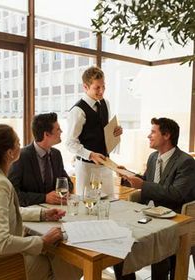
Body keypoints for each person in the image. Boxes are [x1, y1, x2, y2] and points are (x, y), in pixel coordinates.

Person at [0, 124, 81, 280]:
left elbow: (7, 210)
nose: (21, 146)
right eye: (18, 142)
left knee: (56, 260)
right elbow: (0, 244)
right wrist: (42, 241)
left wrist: (43, 214)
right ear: (10, 153)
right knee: (63, 263)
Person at [114, 117, 195, 280]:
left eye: (153, 132)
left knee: (159, 256)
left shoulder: (185, 162)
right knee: (119, 241)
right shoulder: (153, 157)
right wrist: (127, 176)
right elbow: (147, 180)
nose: (148, 136)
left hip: (174, 217)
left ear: (166, 135)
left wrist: (143, 185)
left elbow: (177, 194)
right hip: (149, 215)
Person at [66, 66, 122, 195]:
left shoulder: (105, 103)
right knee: (88, 208)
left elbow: (102, 132)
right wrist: (91, 155)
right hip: (86, 168)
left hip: (106, 164)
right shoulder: (77, 111)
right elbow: (70, 143)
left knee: (109, 204)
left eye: (103, 86)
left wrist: (115, 132)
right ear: (85, 87)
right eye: (97, 87)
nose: (101, 91)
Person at [8, 113, 73, 206]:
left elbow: (67, 182)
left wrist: (65, 191)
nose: (61, 131)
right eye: (58, 129)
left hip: (56, 211)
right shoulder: (21, 157)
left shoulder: (56, 154)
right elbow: (13, 194)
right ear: (46, 134)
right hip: (30, 213)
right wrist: (45, 198)